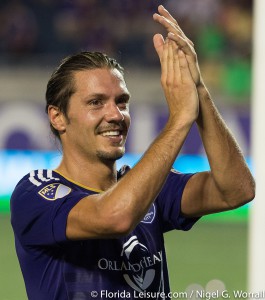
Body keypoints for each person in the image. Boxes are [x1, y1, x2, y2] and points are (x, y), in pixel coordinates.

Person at [11, 5, 255, 300]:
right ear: (57, 117)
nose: (116, 114)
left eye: (122, 101)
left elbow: (237, 190)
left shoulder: (148, 188)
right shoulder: (35, 194)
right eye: (96, 102)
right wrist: (178, 120)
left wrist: (198, 90)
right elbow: (116, 215)